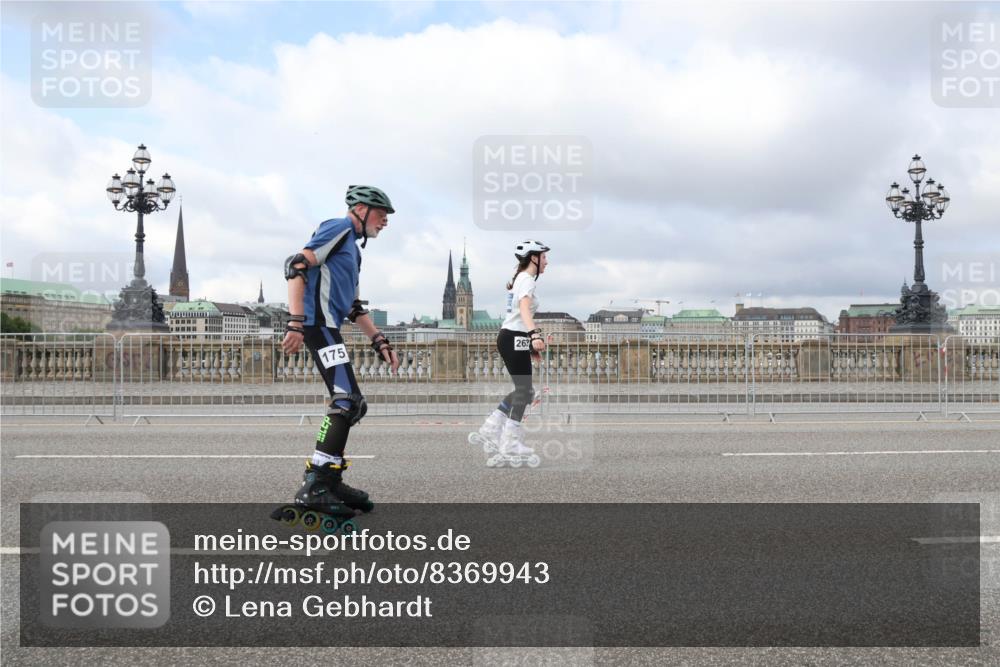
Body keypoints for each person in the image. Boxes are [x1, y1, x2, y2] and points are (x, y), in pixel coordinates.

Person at [275, 185, 400, 529]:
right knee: (345, 400)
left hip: (328, 326)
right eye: (381, 214)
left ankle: (329, 479)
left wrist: (379, 341)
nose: (385, 222)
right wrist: (297, 322)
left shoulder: (354, 252)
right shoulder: (338, 227)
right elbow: (297, 264)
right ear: (360, 209)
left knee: (353, 403)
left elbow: (353, 307)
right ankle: (315, 483)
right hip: (317, 326)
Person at [472, 240, 549, 466]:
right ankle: (508, 440)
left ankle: (493, 428)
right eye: (543, 257)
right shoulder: (526, 280)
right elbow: (524, 309)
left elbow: (518, 314)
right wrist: (534, 335)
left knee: (523, 390)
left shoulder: (520, 279)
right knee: (525, 390)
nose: (546, 261)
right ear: (533, 258)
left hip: (513, 337)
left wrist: (528, 341)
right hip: (514, 337)